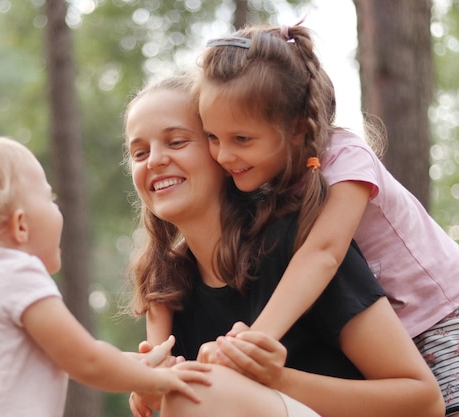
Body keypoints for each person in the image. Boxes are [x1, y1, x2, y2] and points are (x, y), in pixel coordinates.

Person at [123, 74, 444, 417]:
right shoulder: (172, 287)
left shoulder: (300, 243)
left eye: (176, 142)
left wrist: (273, 378)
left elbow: (423, 400)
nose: (154, 160)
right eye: (139, 152)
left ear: (223, 152)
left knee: (202, 390)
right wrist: (155, 388)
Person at [195, 23, 459, 416]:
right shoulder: (274, 180)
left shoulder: (347, 162)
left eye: (241, 139)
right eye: (212, 137)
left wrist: (255, 339)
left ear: (297, 128)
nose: (223, 156)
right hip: (387, 336)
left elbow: (323, 254)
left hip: (441, 320)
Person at [0, 136, 211, 417]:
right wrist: (156, 380)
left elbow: (75, 352)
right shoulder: (15, 272)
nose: (57, 209)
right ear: (20, 225)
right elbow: (87, 360)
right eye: (49, 199)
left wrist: (142, 364)